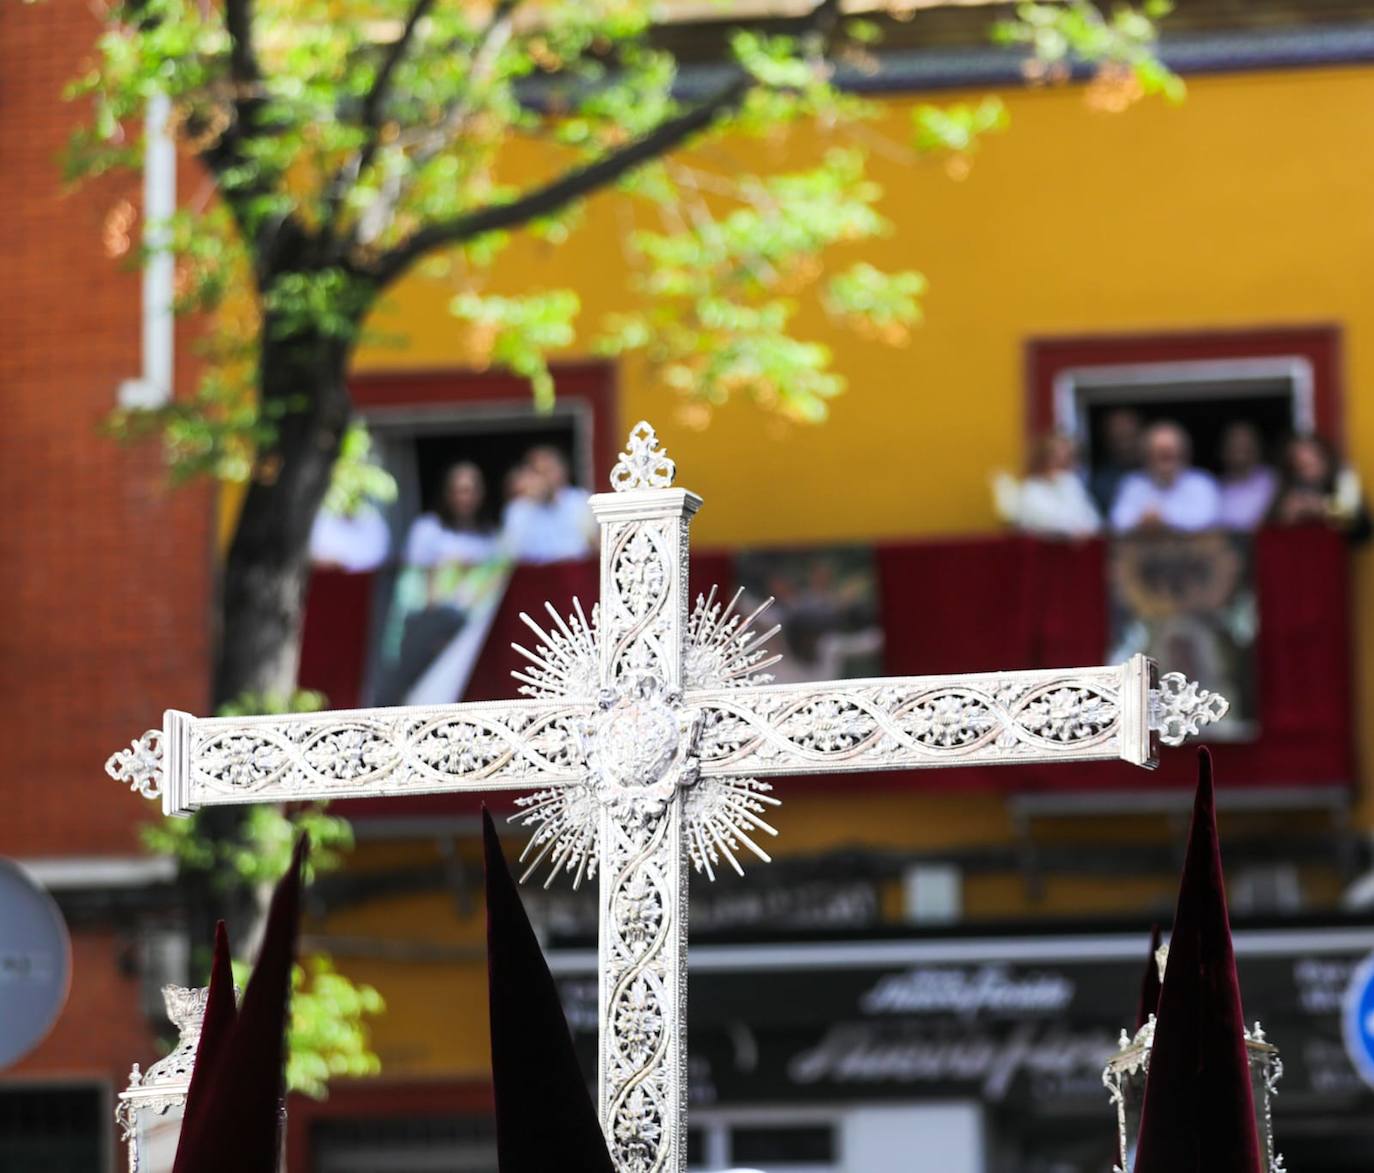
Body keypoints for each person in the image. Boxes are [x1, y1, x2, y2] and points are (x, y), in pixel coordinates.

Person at [1110, 421, 1221, 533]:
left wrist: (1164, 518)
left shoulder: (1201, 483)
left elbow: (1208, 520)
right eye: (1160, 454)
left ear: (1184, 453)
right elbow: (1118, 522)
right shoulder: (1132, 484)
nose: (1165, 459)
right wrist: (1142, 520)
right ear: (1146, 455)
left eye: (1170, 453)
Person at [501, 445, 597, 563]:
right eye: (538, 472)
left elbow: (592, 546)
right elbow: (510, 554)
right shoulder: (518, 509)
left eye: (548, 470)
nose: (545, 478)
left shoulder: (581, 501)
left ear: (562, 471)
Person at [1269, 433, 1371, 541]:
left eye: (1314, 462)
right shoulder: (1287, 488)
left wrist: (1321, 507)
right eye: (1303, 466)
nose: (1312, 471)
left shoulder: (1343, 477)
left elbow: (1358, 523)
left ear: (1326, 458)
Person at [1003, 431, 1101, 537]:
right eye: (1056, 457)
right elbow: (1042, 522)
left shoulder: (1071, 484)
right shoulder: (1031, 489)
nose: (1061, 463)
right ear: (1043, 459)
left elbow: (1093, 519)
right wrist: (1072, 529)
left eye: (1067, 458)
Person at [1215, 420, 1278, 531]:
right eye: (1234, 444)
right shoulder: (1213, 488)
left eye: (1246, 444)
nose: (1240, 449)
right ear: (1223, 450)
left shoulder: (1275, 481)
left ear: (1257, 447)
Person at [1090, 406, 1144, 516]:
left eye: (1128, 435)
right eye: (1118, 435)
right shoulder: (1101, 482)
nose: (1123, 432)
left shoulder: (1155, 473)